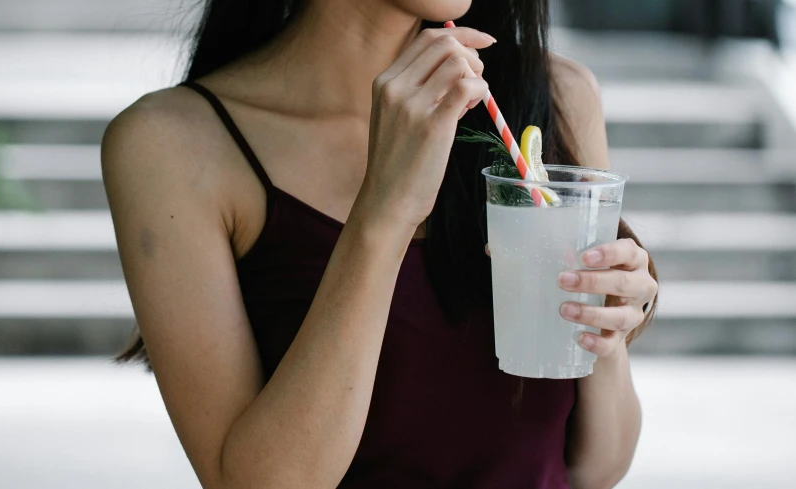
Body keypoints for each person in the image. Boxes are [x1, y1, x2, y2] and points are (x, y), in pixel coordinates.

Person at [101, 0, 659, 487]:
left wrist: (600, 330)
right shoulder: (172, 146)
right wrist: (383, 214)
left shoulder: (555, 97)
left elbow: (594, 469)